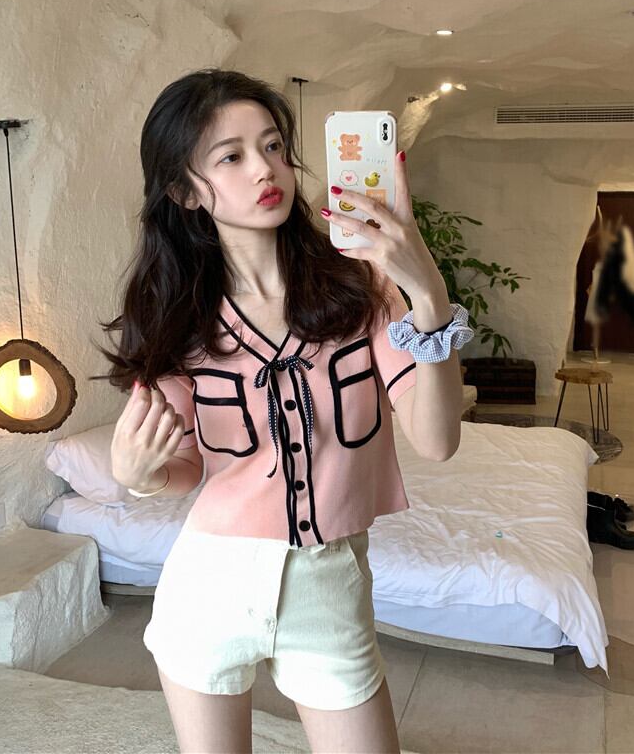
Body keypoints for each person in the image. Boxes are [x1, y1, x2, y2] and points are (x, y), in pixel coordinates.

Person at [93, 68, 473, 753]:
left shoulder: (362, 288)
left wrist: (428, 295)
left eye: (272, 146)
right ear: (183, 191)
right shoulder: (175, 316)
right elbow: (184, 469)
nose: (264, 169)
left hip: (330, 588)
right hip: (209, 587)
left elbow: (437, 439)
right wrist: (139, 475)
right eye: (231, 156)